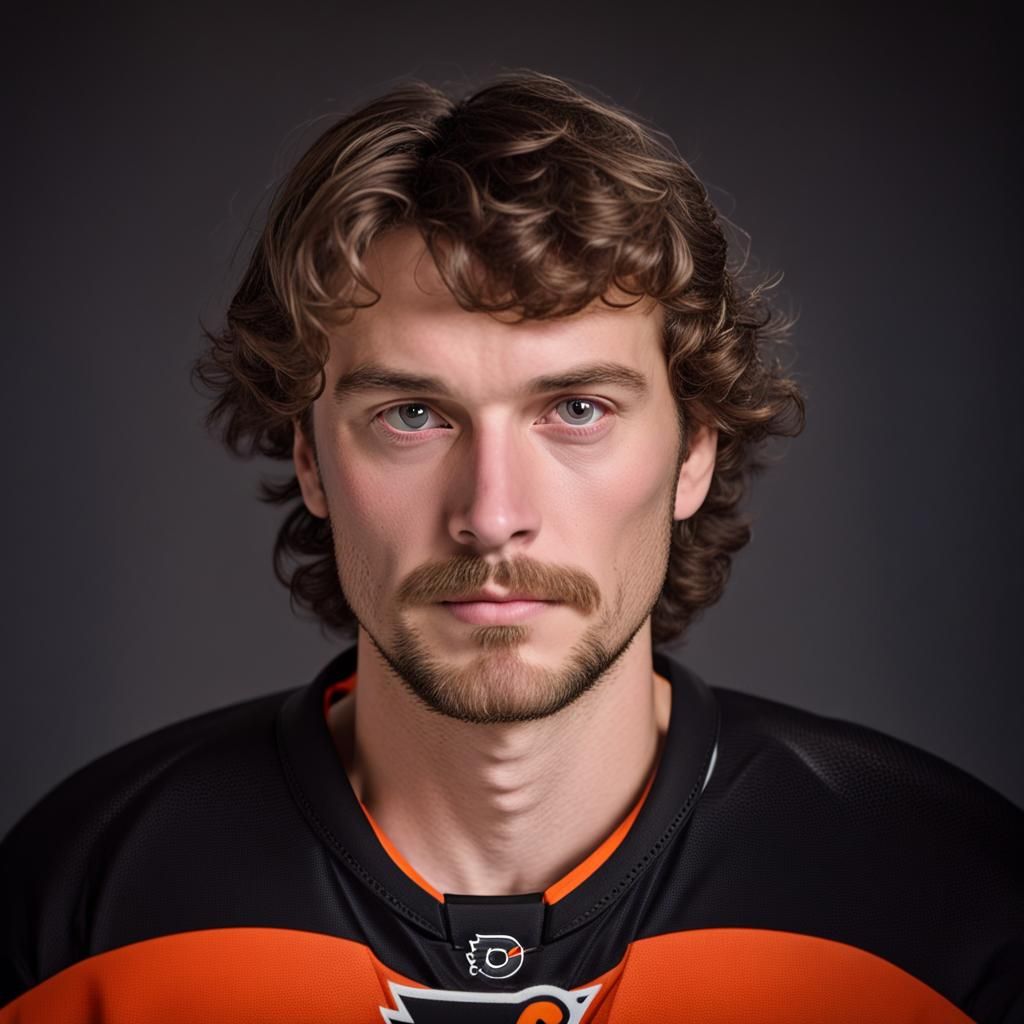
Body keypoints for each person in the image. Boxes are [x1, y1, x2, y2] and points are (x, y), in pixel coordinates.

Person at [1, 72, 1020, 1024]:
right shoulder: (80, 900)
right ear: (309, 460)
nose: (491, 515)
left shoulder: (951, 903)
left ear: (694, 453)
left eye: (576, 408)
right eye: (411, 415)